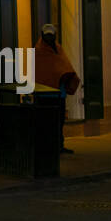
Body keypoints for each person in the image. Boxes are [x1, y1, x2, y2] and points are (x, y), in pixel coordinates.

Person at [34, 23, 81, 154]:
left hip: (59, 94)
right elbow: (39, 72)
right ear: (42, 35)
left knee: (59, 122)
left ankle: (59, 145)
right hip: (45, 95)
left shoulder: (59, 49)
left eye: (51, 35)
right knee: (45, 122)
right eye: (47, 35)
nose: (49, 37)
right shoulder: (38, 51)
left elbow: (64, 66)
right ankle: (46, 147)